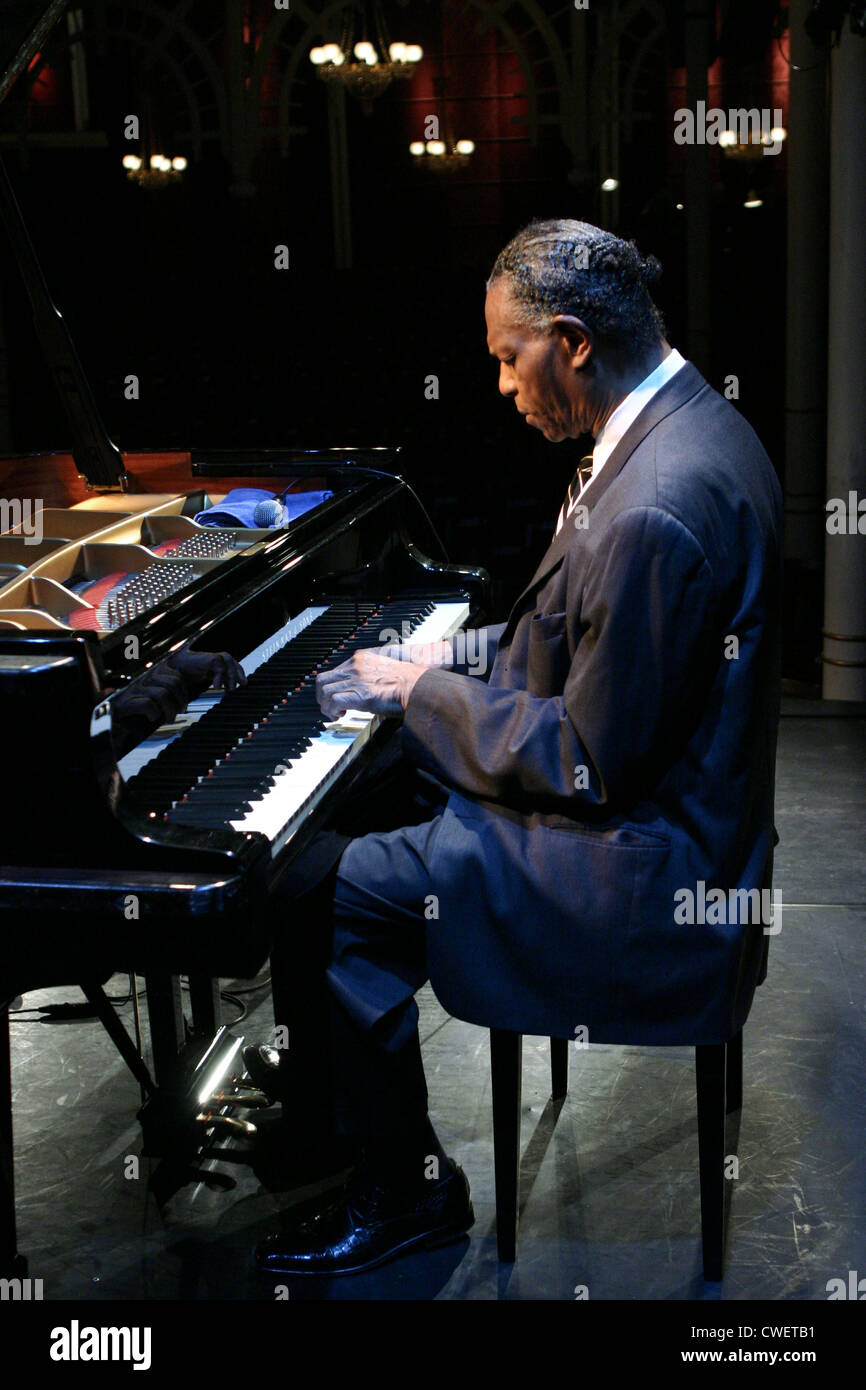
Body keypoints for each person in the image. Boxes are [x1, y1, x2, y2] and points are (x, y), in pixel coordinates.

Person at [254, 218, 783, 1277]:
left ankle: (404, 1189)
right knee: (369, 805)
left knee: (331, 887)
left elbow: (585, 757)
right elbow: (571, 634)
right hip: (692, 822)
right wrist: (443, 655)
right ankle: (335, 1108)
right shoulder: (680, 422)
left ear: (571, 341)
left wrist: (420, 692)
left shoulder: (654, 504)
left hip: (646, 871)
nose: (499, 385)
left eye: (507, 357)